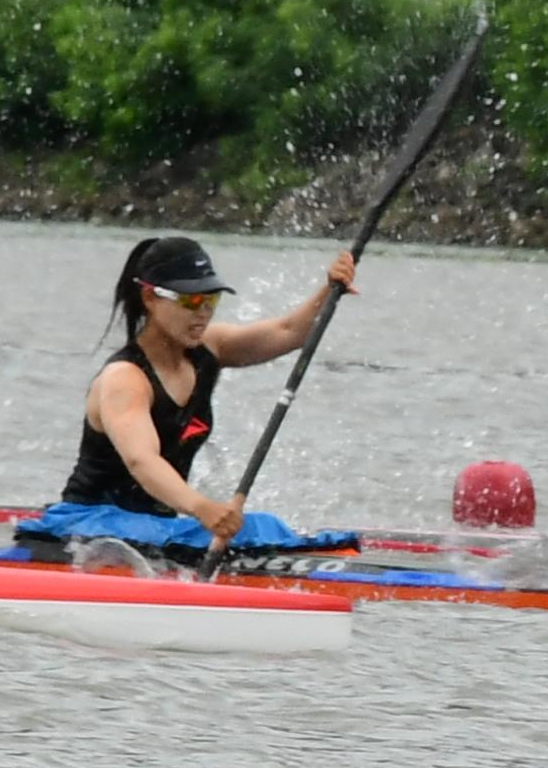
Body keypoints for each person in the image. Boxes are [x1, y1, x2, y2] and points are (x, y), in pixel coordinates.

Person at [51, 232, 353, 549]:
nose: (203, 313)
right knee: (259, 528)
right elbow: (142, 461)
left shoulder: (211, 348)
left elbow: (288, 331)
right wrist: (202, 508)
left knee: (263, 527)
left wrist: (331, 289)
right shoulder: (125, 379)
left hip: (156, 529)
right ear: (150, 298)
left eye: (211, 300)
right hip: (88, 526)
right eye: (191, 300)